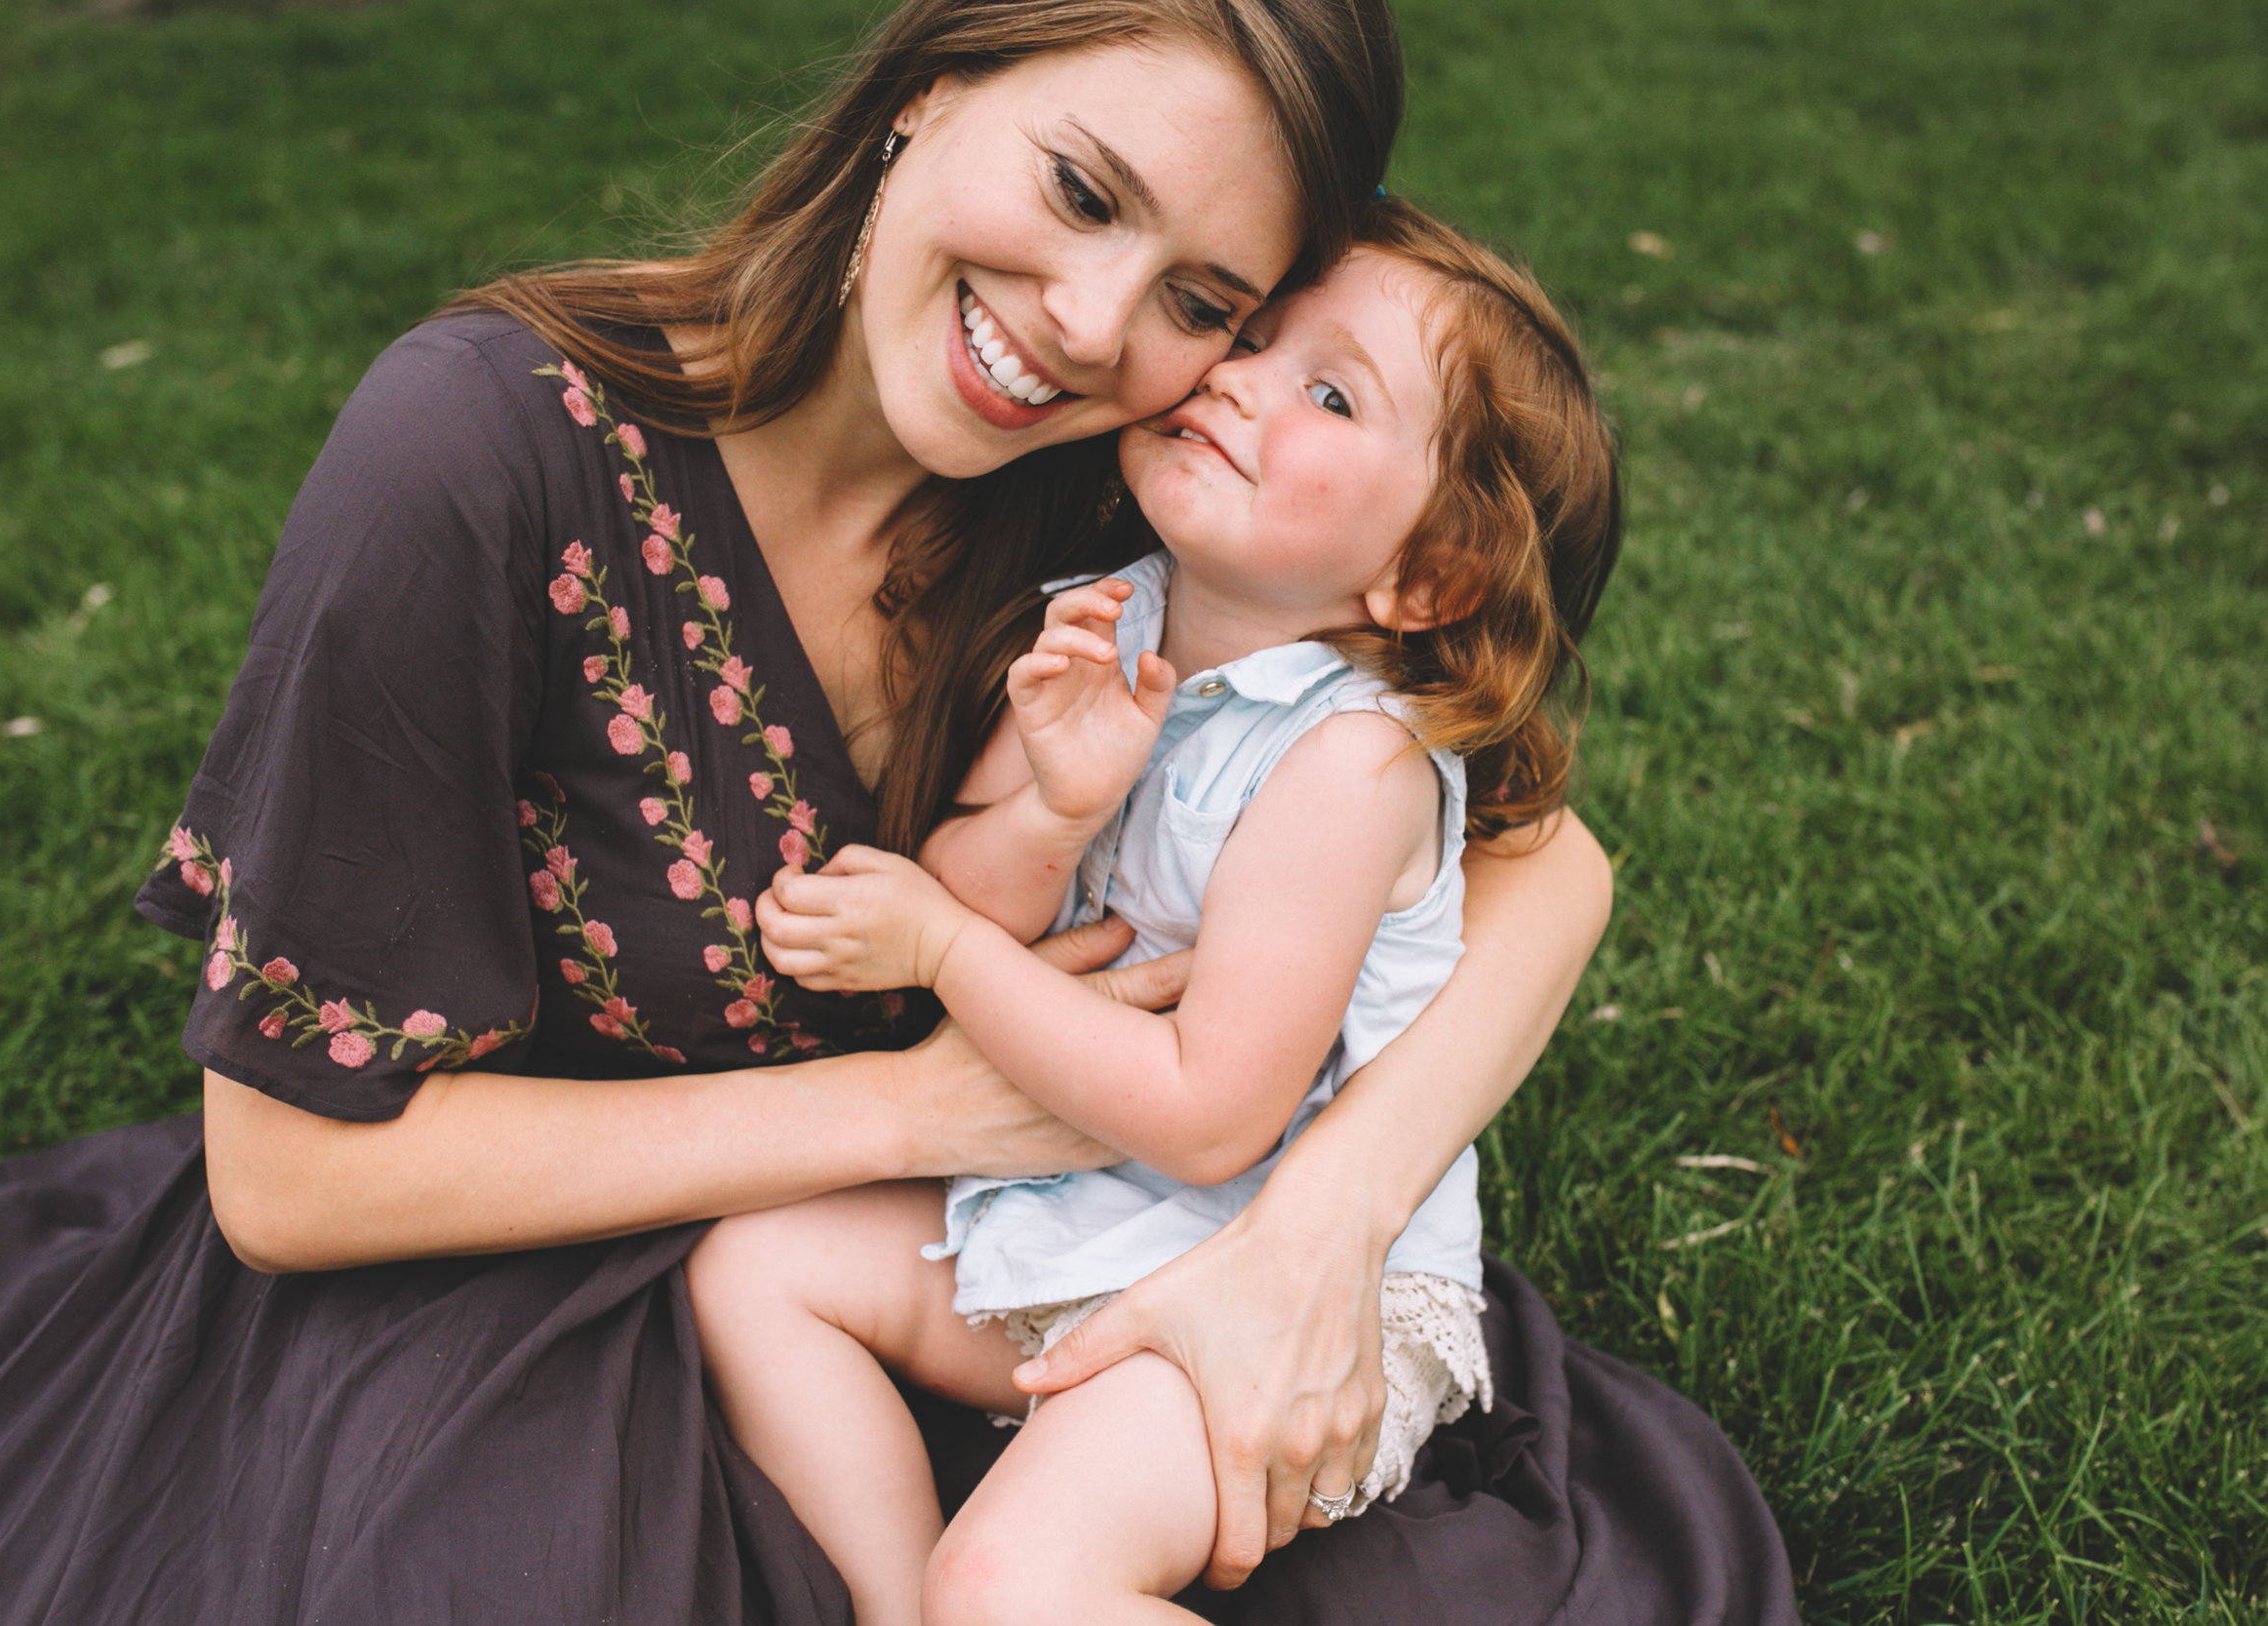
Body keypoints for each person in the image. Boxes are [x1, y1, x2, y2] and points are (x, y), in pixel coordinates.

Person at [0, 2, 1797, 1621]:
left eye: (1202, 304)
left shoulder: (1129, 494)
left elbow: (1545, 867)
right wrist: (907, 1103)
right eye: (1082, 193)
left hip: (1021, 1254)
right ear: (930, 82)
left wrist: (1319, 1224)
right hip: (501, 1280)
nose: (1089, 329)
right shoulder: (474, 463)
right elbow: (284, 1179)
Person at [687, 199, 1618, 1624]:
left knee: (1016, 1583)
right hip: (1085, 1213)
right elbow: (979, 893)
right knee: (756, 1269)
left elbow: (1209, 1116)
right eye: (1248, 340)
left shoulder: (1348, 764)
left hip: (1267, 1288)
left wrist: (939, 948)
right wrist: (1056, 808)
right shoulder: (1115, 617)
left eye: (1327, 391)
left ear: (1425, 576)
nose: (1238, 378)